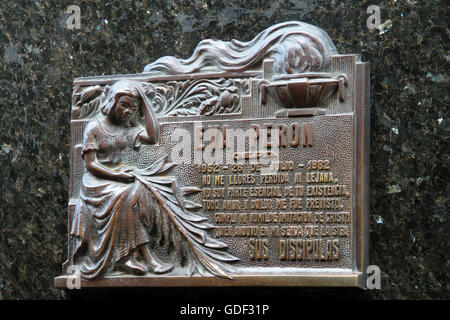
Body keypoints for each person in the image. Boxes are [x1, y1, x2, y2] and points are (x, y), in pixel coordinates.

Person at [70, 80, 173, 280]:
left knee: (138, 192)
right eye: (124, 105)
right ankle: (144, 257)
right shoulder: (94, 127)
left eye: (133, 108)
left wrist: (144, 101)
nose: (127, 111)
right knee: (127, 194)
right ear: (112, 102)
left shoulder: (125, 128)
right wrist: (117, 176)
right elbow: (90, 164)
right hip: (95, 182)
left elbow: (153, 136)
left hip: (117, 180)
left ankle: (131, 256)